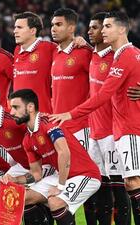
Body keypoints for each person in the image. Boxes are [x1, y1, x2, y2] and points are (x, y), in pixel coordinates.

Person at [49, 11, 140, 225]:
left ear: (122, 29)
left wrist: (70, 114)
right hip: (103, 129)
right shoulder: (98, 55)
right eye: (101, 26)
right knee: (110, 183)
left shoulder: (125, 55)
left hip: (124, 127)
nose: (97, 30)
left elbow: (103, 94)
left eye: (105, 26)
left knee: (130, 182)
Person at [6, 89, 101, 225]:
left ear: (31, 107)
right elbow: (37, 173)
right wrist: (14, 179)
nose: (12, 113)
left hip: (86, 175)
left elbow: (64, 153)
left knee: (55, 202)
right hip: (62, 175)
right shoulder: (27, 139)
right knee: (23, 198)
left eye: (16, 107)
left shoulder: (49, 123)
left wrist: (60, 186)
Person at [0, 84, 54, 225]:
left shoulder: (14, 120)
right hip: (23, 165)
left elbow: (38, 125)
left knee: (31, 200)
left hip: (43, 163)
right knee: (0, 192)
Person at [86, 12, 131, 225]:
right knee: (99, 184)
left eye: (98, 27)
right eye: (95, 27)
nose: (93, 31)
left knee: (120, 185)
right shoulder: (90, 55)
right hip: (93, 131)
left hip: (112, 131)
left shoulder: (117, 57)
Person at [50, 8, 94, 223]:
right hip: (59, 129)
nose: (53, 29)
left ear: (71, 27)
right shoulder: (54, 53)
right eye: (52, 25)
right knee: (66, 185)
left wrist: (87, 44)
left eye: (58, 24)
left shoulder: (85, 53)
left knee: (85, 182)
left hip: (81, 127)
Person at [13, 12, 55, 114]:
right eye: (15, 27)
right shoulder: (17, 50)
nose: (15, 31)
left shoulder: (48, 48)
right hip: (19, 117)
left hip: (42, 115)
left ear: (33, 31)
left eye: (19, 27)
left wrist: (78, 41)